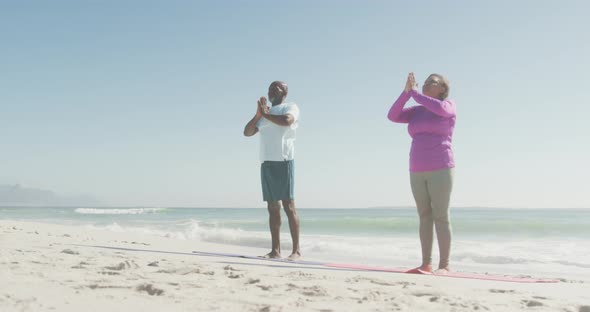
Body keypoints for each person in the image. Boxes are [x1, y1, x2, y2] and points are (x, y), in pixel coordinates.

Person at [387, 72, 456, 274]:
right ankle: (426, 263)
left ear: (442, 88)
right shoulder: (417, 110)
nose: (426, 84)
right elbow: (392, 115)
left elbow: (439, 108)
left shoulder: (447, 105)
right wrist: (406, 93)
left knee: (441, 215)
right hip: (416, 168)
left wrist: (415, 93)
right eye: (424, 82)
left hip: (442, 167)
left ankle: (444, 265)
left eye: (431, 82)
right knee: (424, 215)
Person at [243, 81, 301, 260]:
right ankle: (275, 251)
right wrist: (258, 114)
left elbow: (286, 121)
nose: (271, 91)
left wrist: (266, 115)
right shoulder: (264, 115)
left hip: (284, 160)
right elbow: (247, 132)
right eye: (269, 89)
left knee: (288, 207)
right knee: (272, 208)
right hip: (267, 162)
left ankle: (296, 251)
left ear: (284, 92)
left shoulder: (290, 107)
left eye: (275, 88)